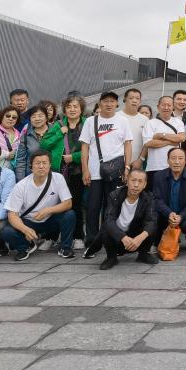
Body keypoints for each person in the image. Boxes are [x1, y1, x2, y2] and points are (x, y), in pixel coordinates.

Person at [79, 91, 134, 247]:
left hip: (116, 171)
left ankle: (109, 237)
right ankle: (91, 240)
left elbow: (127, 145)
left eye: (112, 101)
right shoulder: (91, 121)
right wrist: (85, 169)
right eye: (105, 101)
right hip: (95, 172)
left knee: (112, 207)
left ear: (117, 104)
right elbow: (85, 147)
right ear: (100, 103)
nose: (109, 104)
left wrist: (127, 167)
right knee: (93, 207)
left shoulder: (122, 121)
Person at [0, 150, 76, 261]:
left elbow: (68, 203)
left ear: (50, 165)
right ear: (31, 166)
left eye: (45, 163)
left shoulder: (58, 178)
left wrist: (48, 210)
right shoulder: (21, 186)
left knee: (70, 214)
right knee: (6, 231)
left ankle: (65, 248)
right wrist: (25, 229)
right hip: (29, 222)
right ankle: (25, 247)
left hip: (50, 219)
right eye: (37, 163)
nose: (41, 166)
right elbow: (12, 214)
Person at [85, 168, 158, 269]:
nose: (136, 185)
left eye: (140, 181)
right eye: (133, 180)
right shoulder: (114, 195)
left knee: (152, 226)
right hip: (117, 239)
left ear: (145, 185)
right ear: (127, 181)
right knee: (106, 227)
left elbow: (151, 221)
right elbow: (109, 219)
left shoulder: (148, 198)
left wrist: (140, 238)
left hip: (137, 240)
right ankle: (111, 257)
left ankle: (143, 254)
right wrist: (123, 237)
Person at [151, 146, 186, 253]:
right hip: (166, 214)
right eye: (173, 158)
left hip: (185, 215)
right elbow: (157, 199)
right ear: (168, 161)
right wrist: (169, 213)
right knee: (154, 216)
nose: (177, 162)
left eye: (180, 158)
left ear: (185, 161)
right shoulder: (158, 176)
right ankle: (156, 242)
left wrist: (181, 216)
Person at [54, 96, 86, 250]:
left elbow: (92, 148)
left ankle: (79, 235)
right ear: (64, 109)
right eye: (69, 106)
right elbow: (45, 143)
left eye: (75, 106)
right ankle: (59, 235)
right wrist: (59, 133)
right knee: (58, 203)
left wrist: (74, 157)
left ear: (81, 109)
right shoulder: (58, 124)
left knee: (76, 204)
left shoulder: (87, 124)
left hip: (79, 171)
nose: (72, 109)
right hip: (60, 172)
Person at [15, 105, 63, 182]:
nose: (37, 119)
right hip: (32, 178)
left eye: (40, 116)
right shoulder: (26, 136)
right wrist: (21, 181)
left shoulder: (57, 132)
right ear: (30, 119)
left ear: (46, 117)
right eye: (33, 116)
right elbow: (21, 161)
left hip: (54, 177)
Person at [143, 96, 186, 174]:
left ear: (173, 107)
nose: (166, 107)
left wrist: (161, 135)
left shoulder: (178, 122)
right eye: (163, 105)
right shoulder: (150, 123)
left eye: (169, 105)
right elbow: (148, 143)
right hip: (155, 166)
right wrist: (170, 142)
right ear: (158, 107)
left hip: (174, 167)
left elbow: (181, 138)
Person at [118, 89, 149, 170]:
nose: (134, 101)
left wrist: (140, 160)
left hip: (137, 165)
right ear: (125, 99)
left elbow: (147, 143)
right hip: (117, 163)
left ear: (140, 101)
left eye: (137, 98)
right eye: (131, 98)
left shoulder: (145, 120)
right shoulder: (116, 117)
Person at [0, 106, 21, 172]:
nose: (11, 119)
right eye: (8, 116)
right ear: (2, 117)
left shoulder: (19, 134)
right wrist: (7, 154)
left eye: (14, 117)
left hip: (11, 172)